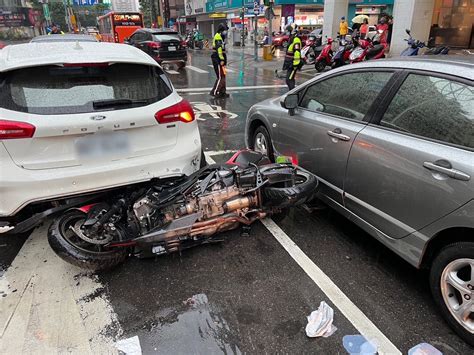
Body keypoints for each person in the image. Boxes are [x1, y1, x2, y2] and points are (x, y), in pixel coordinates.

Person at [210, 23, 229, 98]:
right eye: (225, 30)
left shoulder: (221, 36)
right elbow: (219, 50)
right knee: (220, 77)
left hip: (222, 60)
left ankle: (222, 92)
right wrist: (221, 59)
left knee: (223, 76)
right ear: (221, 30)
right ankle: (214, 92)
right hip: (218, 59)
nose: (226, 31)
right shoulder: (218, 37)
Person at [283, 25, 302, 91]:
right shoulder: (291, 38)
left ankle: (292, 93)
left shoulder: (295, 39)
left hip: (293, 64)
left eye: (287, 31)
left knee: (289, 79)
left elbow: (297, 52)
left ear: (290, 31)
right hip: (290, 63)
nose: (286, 32)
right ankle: (292, 92)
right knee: (289, 79)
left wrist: (295, 64)